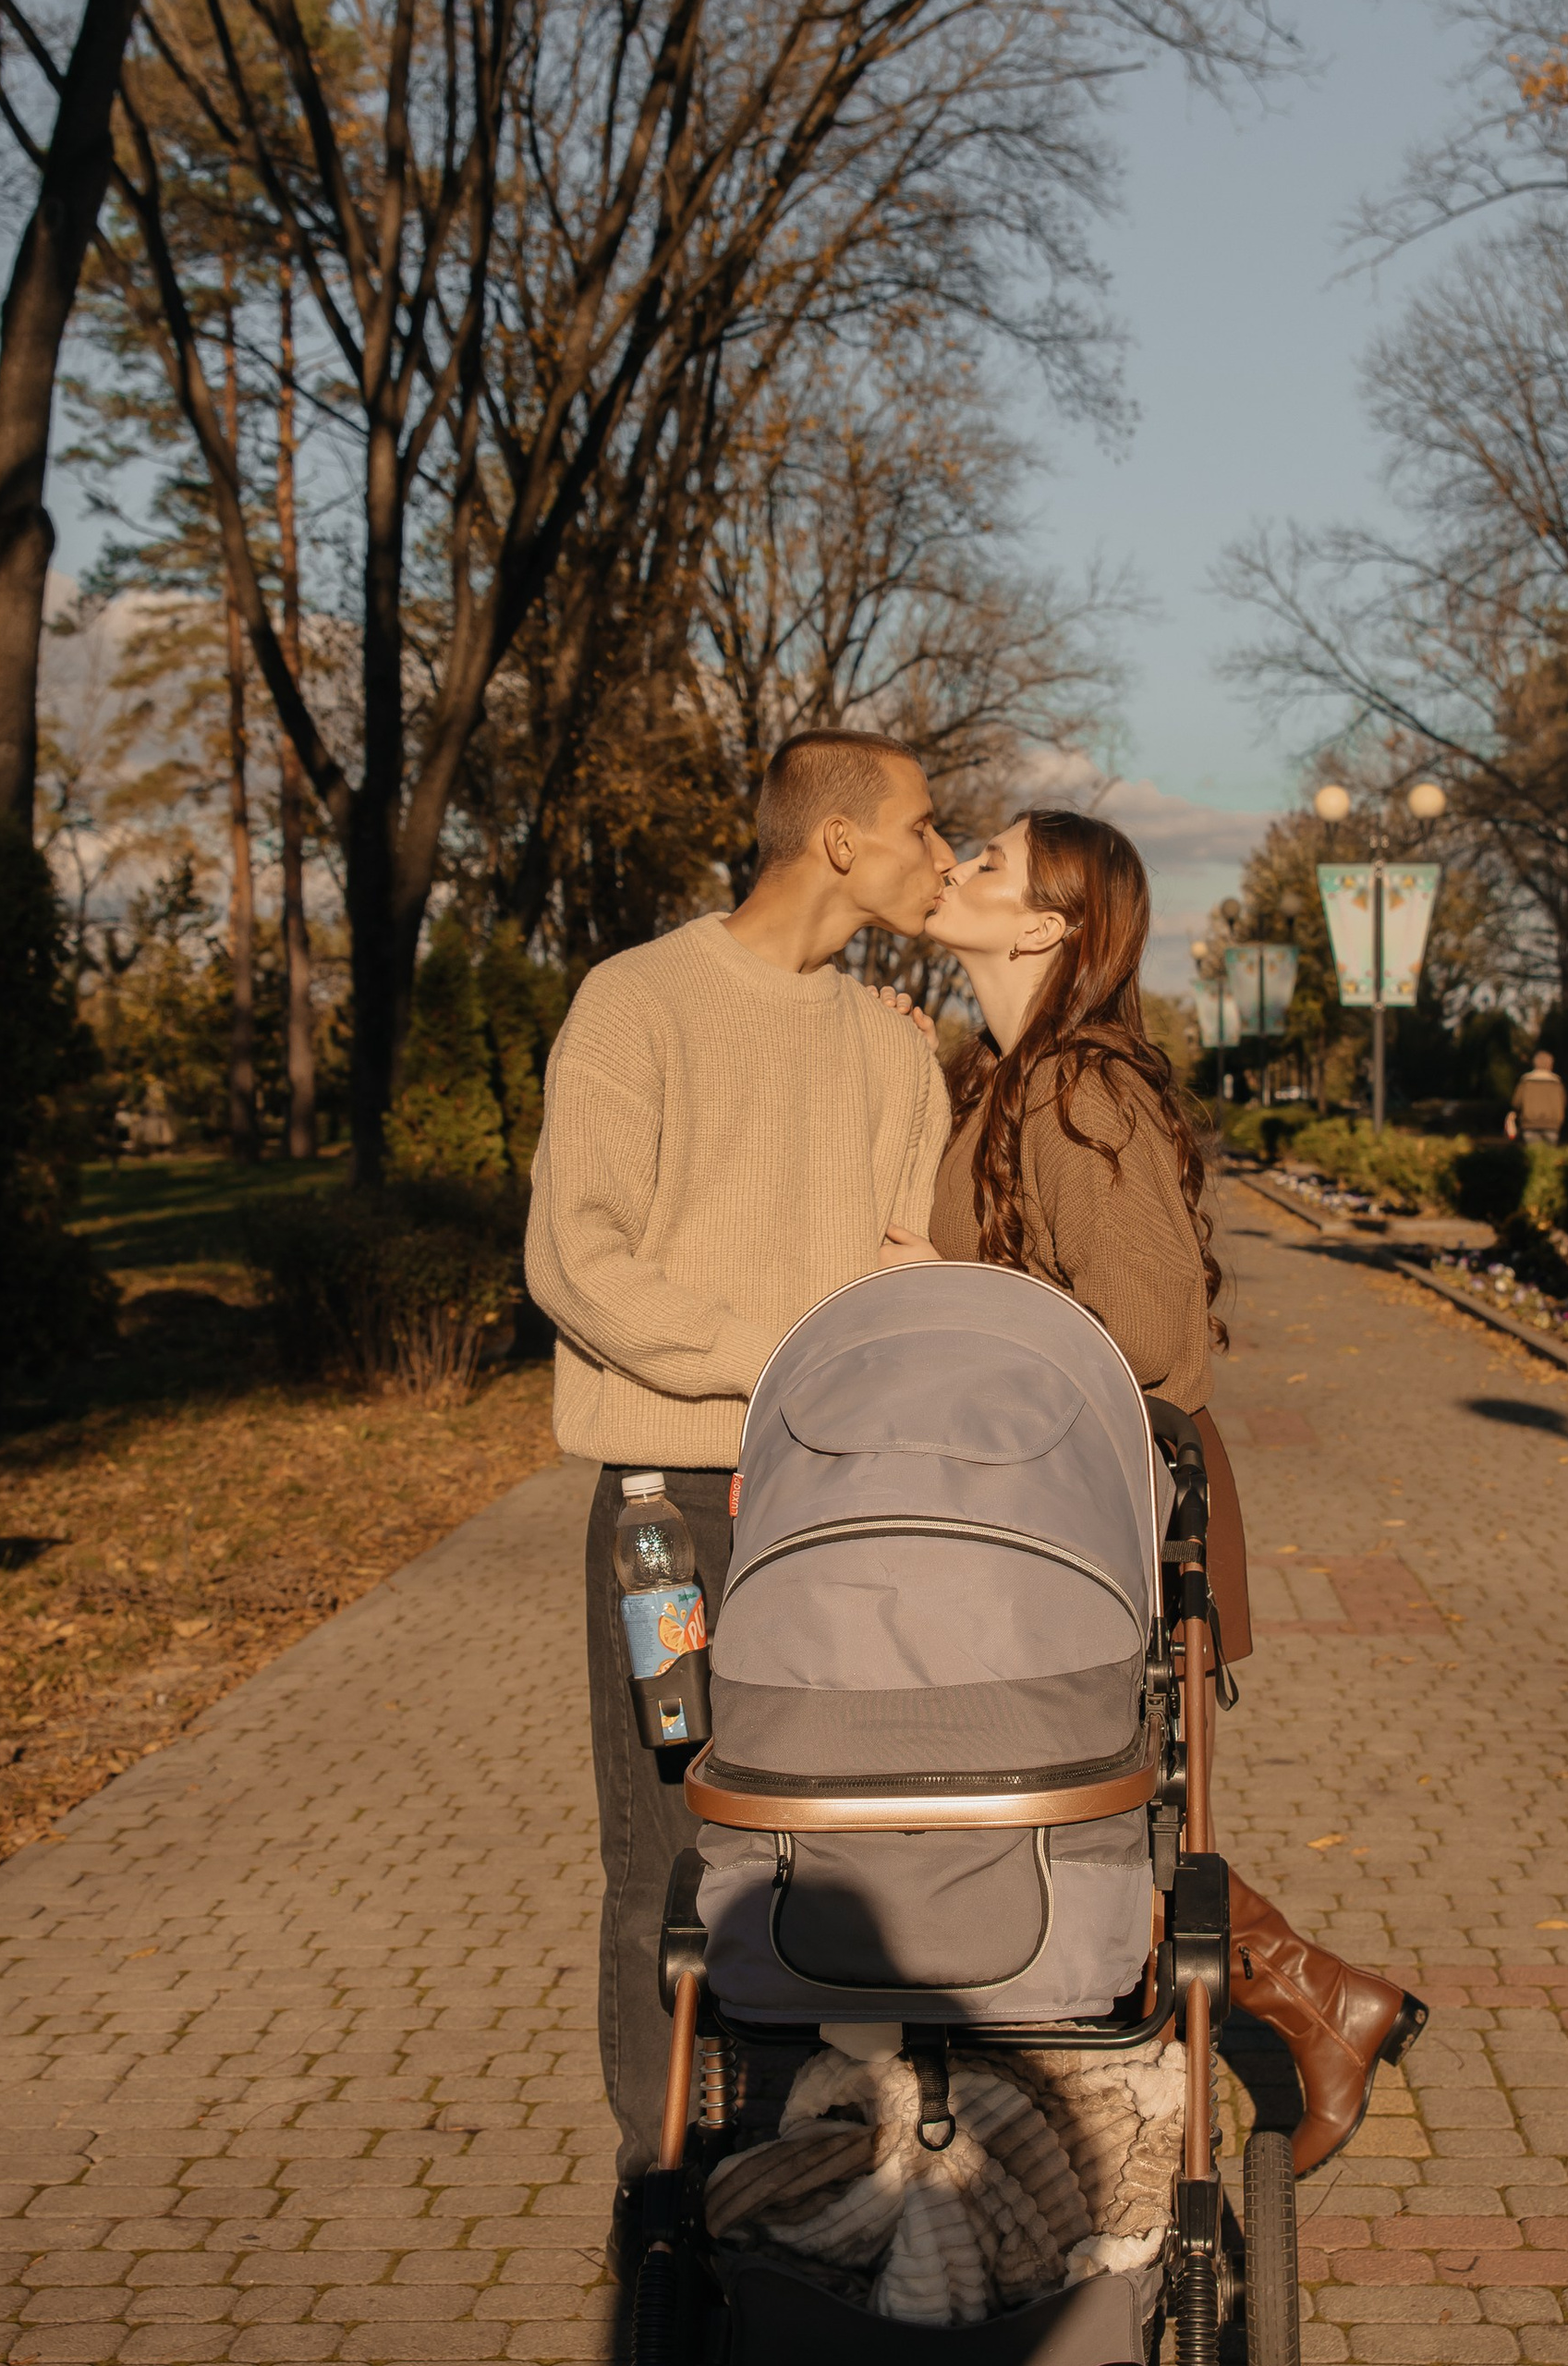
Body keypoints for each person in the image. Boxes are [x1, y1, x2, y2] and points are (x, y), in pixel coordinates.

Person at [896, 808, 1428, 2179]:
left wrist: (951, 1294)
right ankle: (1314, 1996)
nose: (956, 864)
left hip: (1104, 1519)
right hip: (1039, 1517)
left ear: (1050, 926)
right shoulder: (1007, 1077)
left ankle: (1282, 2010)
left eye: (993, 864)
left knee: (1060, 1821)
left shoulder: (1083, 1089)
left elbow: (1153, 1333)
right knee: (1040, 1816)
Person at [523, 726, 953, 2211]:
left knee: (818, 1855)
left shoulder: (895, 1052)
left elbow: (911, 1273)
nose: (940, 857)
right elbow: (578, 1258)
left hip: (833, 1509)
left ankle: (790, 2168)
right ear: (838, 841)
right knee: (664, 1859)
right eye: (922, 828)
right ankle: (663, 2191)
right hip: (672, 1516)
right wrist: (783, 1359)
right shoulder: (636, 1002)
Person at [1506, 1048, 1566, 1144]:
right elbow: (1563, 1102)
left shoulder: (1526, 1081)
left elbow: (1516, 1102)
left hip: (1530, 1123)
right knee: (1550, 1155)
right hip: (1552, 1124)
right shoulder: (1557, 1082)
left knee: (1533, 1153)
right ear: (1551, 1064)